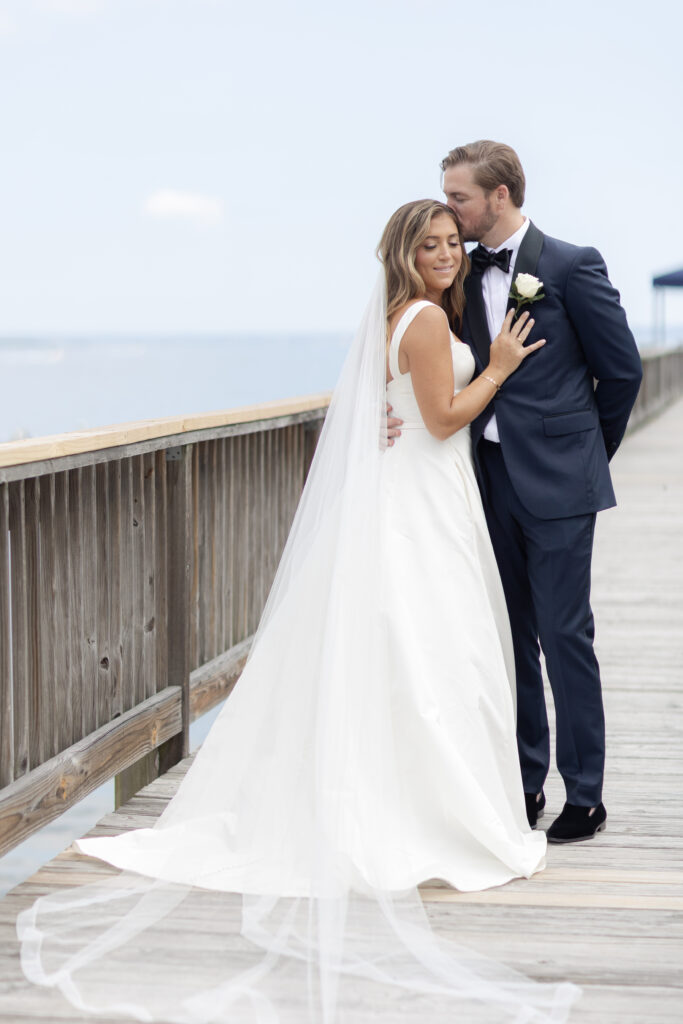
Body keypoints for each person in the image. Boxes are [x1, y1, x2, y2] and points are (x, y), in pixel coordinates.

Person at [17, 201, 578, 1023]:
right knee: (437, 655)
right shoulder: (424, 321)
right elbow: (440, 417)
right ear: (403, 253)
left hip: (416, 493)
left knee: (418, 655)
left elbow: (407, 413)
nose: (446, 254)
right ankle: (435, 813)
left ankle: (417, 797)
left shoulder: (399, 314)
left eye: (452, 243)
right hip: (421, 504)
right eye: (429, 245)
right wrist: (495, 367)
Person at [436, 141, 643, 842]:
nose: (450, 208)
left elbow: (619, 374)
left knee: (564, 637)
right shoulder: (455, 272)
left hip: (558, 483)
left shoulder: (569, 265)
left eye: (459, 197)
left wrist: (585, 455)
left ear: (499, 197)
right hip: (482, 477)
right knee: (507, 639)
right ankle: (521, 784)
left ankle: (584, 794)